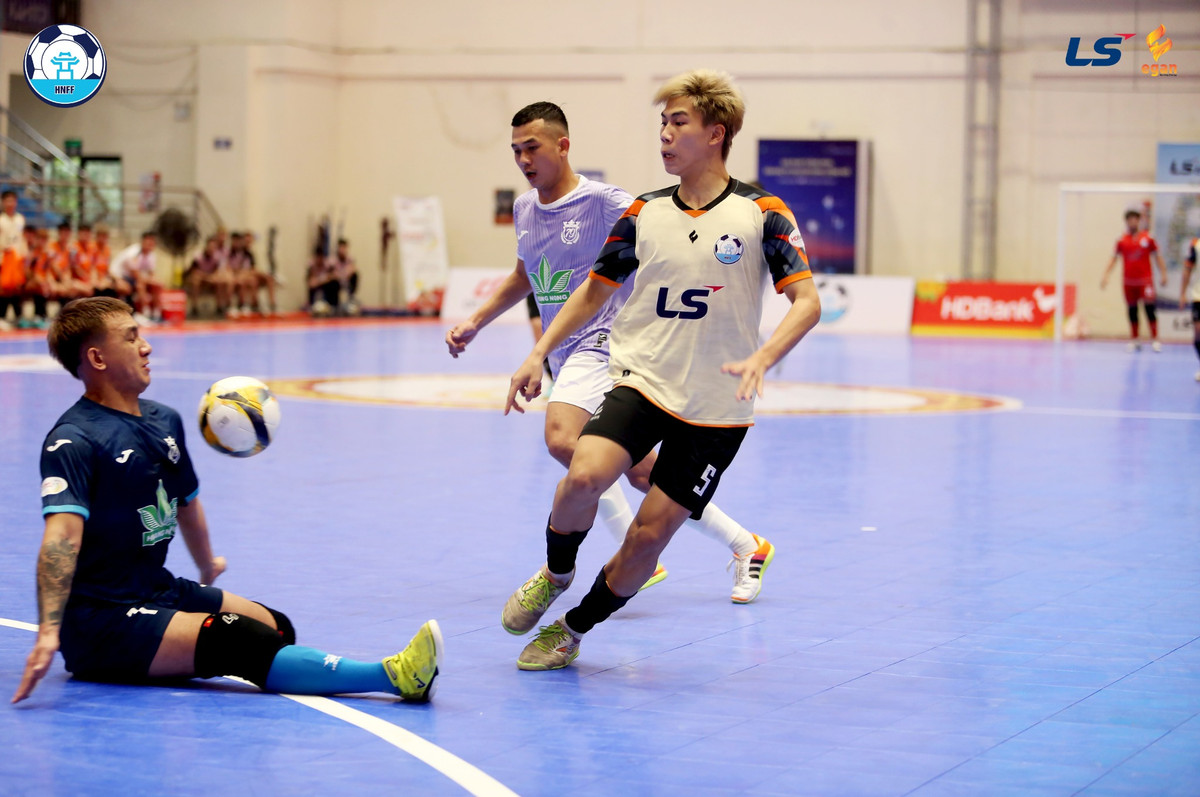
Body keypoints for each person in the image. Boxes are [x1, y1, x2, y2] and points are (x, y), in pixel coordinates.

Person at [502, 71, 820, 671]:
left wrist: (763, 357)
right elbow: (592, 292)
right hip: (643, 382)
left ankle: (572, 628)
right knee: (581, 474)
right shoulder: (644, 212)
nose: (665, 136)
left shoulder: (763, 213)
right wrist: (537, 351)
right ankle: (556, 573)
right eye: (662, 124)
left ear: (715, 134)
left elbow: (807, 302)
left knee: (647, 538)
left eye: (679, 123)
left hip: (717, 410)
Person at [12, 297, 442, 704]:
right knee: (238, 639)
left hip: (155, 588)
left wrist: (206, 564)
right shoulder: (74, 439)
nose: (146, 346)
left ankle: (197, 651)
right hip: (101, 619)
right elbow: (61, 540)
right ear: (97, 358)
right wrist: (49, 633)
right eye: (130, 337)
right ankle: (395, 676)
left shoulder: (163, 419)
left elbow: (187, 502)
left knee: (275, 628)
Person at [446, 100, 774, 619]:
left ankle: (619, 553)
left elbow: (667, 232)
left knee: (564, 440)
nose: (523, 160)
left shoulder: (606, 202)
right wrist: (476, 321)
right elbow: (524, 275)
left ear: (562, 145)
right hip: (565, 348)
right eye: (515, 151)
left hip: (608, 342)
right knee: (644, 476)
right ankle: (745, 544)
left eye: (532, 147)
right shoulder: (526, 209)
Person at [1101, 209, 1168, 351]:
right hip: (1129, 282)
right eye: (1130, 219)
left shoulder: (1148, 238)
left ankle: (1155, 339)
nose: (1132, 222)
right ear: (1126, 222)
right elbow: (1113, 258)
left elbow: (1158, 256)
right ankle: (1135, 339)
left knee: (1149, 309)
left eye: (1135, 219)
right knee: (1132, 310)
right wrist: (1106, 275)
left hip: (1145, 281)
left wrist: (1163, 273)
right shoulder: (1121, 240)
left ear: (1139, 221)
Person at [112, 231, 164, 322]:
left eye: (152, 243)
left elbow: (152, 274)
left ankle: (156, 314)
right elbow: (136, 274)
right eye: (148, 242)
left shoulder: (151, 255)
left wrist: (156, 282)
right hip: (120, 276)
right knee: (140, 285)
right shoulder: (133, 252)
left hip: (133, 278)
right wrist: (149, 280)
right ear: (143, 242)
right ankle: (144, 313)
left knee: (157, 285)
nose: (150, 245)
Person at [0, 190, 27, 328]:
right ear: (3, 202)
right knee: (4, 287)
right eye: (7, 200)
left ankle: (18, 317)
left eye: (12, 200)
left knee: (17, 287)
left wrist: (24, 255)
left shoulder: (20, 219)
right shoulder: (1, 220)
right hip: (4, 257)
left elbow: (21, 238)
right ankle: (2, 317)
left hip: (17, 257)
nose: (10, 203)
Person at [1180, 235, 1199, 381]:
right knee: (1198, 336)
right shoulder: (1195, 244)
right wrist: (1182, 293)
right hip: (1198, 296)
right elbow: (1187, 269)